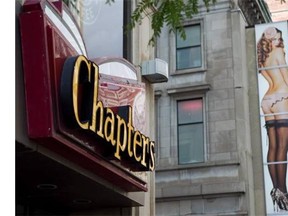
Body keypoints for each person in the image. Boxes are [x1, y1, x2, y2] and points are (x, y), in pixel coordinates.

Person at [257, 26, 288, 211]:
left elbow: (270, 79)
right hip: (282, 98)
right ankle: (283, 191)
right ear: (272, 39)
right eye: (277, 38)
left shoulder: (262, 56)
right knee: (283, 148)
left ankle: (277, 189)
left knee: (274, 147)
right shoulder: (278, 53)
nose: (279, 41)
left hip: (267, 100)